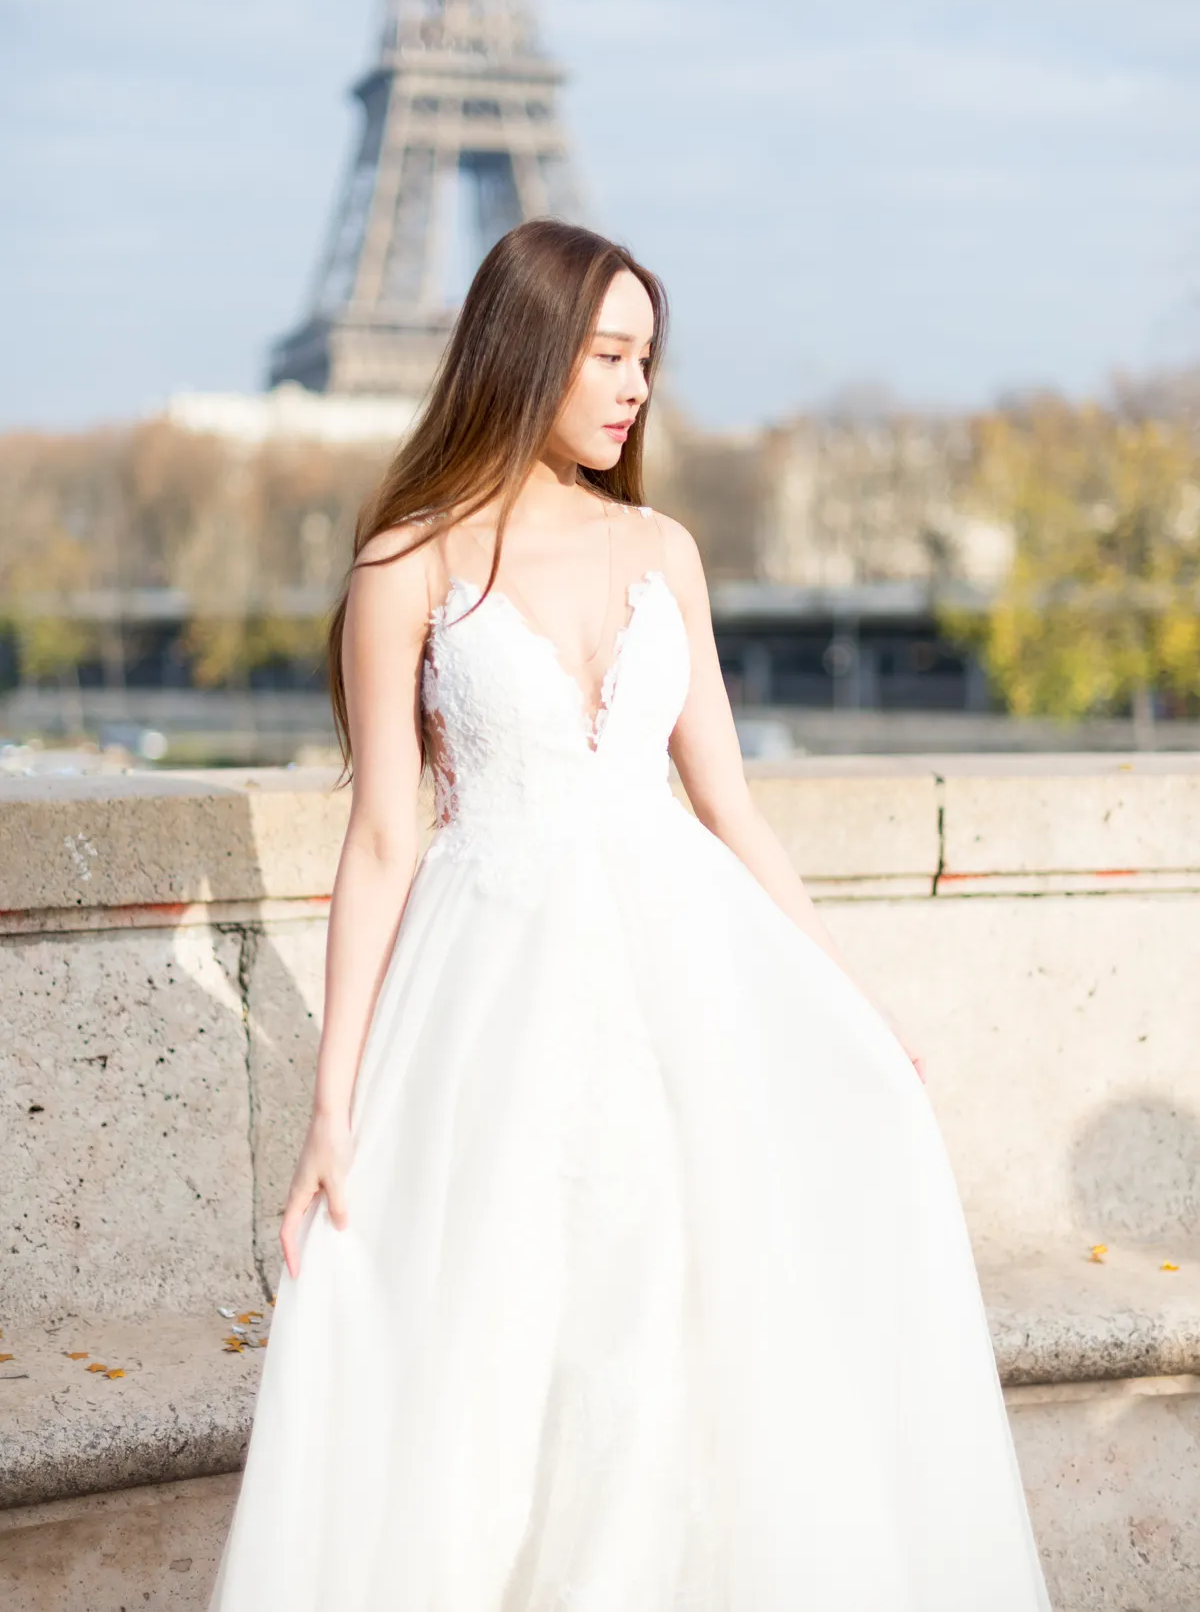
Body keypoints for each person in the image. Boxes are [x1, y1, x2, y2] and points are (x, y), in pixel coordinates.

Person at [209, 220, 1051, 1611]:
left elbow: (730, 804)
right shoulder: (407, 560)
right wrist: (333, 1105)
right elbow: (380, 841)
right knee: (506, 1359)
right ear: (524, 348)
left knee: (679, 1342)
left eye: (646, 358)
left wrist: (854, 1005)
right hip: (496, 1006)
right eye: (606, 354)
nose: (633, 387)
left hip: (680, 994)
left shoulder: (666, 547)